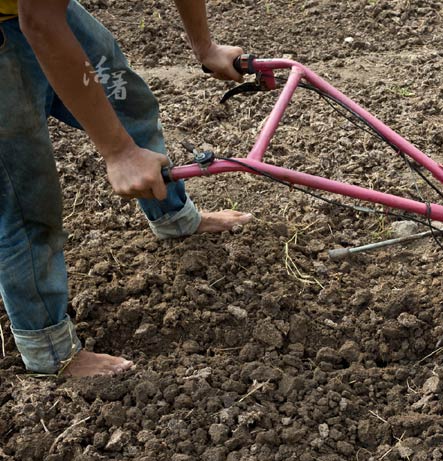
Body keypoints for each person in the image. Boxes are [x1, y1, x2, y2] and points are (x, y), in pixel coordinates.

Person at [0, 0, 253, 377]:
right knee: (25, 195)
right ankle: (50, 353)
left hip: (42, 12)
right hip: (31, 20)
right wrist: (117, 151)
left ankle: (174, 218)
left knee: (128, 104)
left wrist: (206, 48)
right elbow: (39, 22)